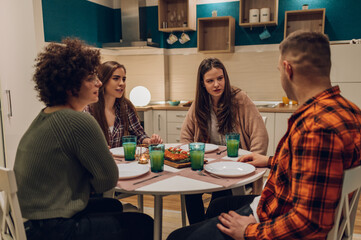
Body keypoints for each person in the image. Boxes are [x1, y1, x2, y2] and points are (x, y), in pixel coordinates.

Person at [167, 31, 361, 240]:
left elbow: (309, 223)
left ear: (288, 70)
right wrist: (270, 161)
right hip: (276, 205)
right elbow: (311, 168)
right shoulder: (350, 111)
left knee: (177, 237)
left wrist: (249, 232)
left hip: (275, 218)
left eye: (279, 70)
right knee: (217, 206)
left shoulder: (316, 127)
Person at [14, 38, 154, 240]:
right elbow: (107, 179)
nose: (98, 82)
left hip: (28, 222)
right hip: (51, 229)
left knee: (112, 205)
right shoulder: (78, 120)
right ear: (70, 86)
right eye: (90, 78)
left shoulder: (45, 115)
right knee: (143, 224)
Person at [180, 57, 268, 224]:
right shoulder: (199, 103)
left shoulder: (239, 98)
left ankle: (208, 229)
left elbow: (260, 135)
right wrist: (190, 156)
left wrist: (253, 160)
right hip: (207, 164)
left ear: (225, 78)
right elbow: (185, 136)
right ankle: (198, 228)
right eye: (210, 80)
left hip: (236, 166)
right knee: (189, 190)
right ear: (202, 83)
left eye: (220, 78)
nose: (216, 84)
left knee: (221, 193)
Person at [86, 61, 162, 148]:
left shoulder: (126, 107)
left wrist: (150, 141)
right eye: (116, 78)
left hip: (122, 161)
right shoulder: (88, 110)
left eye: (124, 79)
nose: (122, 83)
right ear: (103, 81)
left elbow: (138, 134)